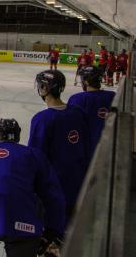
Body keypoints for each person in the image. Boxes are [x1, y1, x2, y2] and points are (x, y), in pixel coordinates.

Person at [0, 119, 66, 257]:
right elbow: (53, 196)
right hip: (23, 221)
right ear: (17, 135)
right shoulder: (34, 155)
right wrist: (53, 230)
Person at [29, 70, 92, 222]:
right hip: (78, 181)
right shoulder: (78, 112)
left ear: (45, 89)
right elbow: (87, 145)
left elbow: (36, 157)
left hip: (54, 187)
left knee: (54, 229)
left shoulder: (42, 120)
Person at [67, 66, 115, 151]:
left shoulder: (76, 99)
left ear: (86, 81)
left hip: (84, 148)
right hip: (108, 146)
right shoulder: (112, 95)